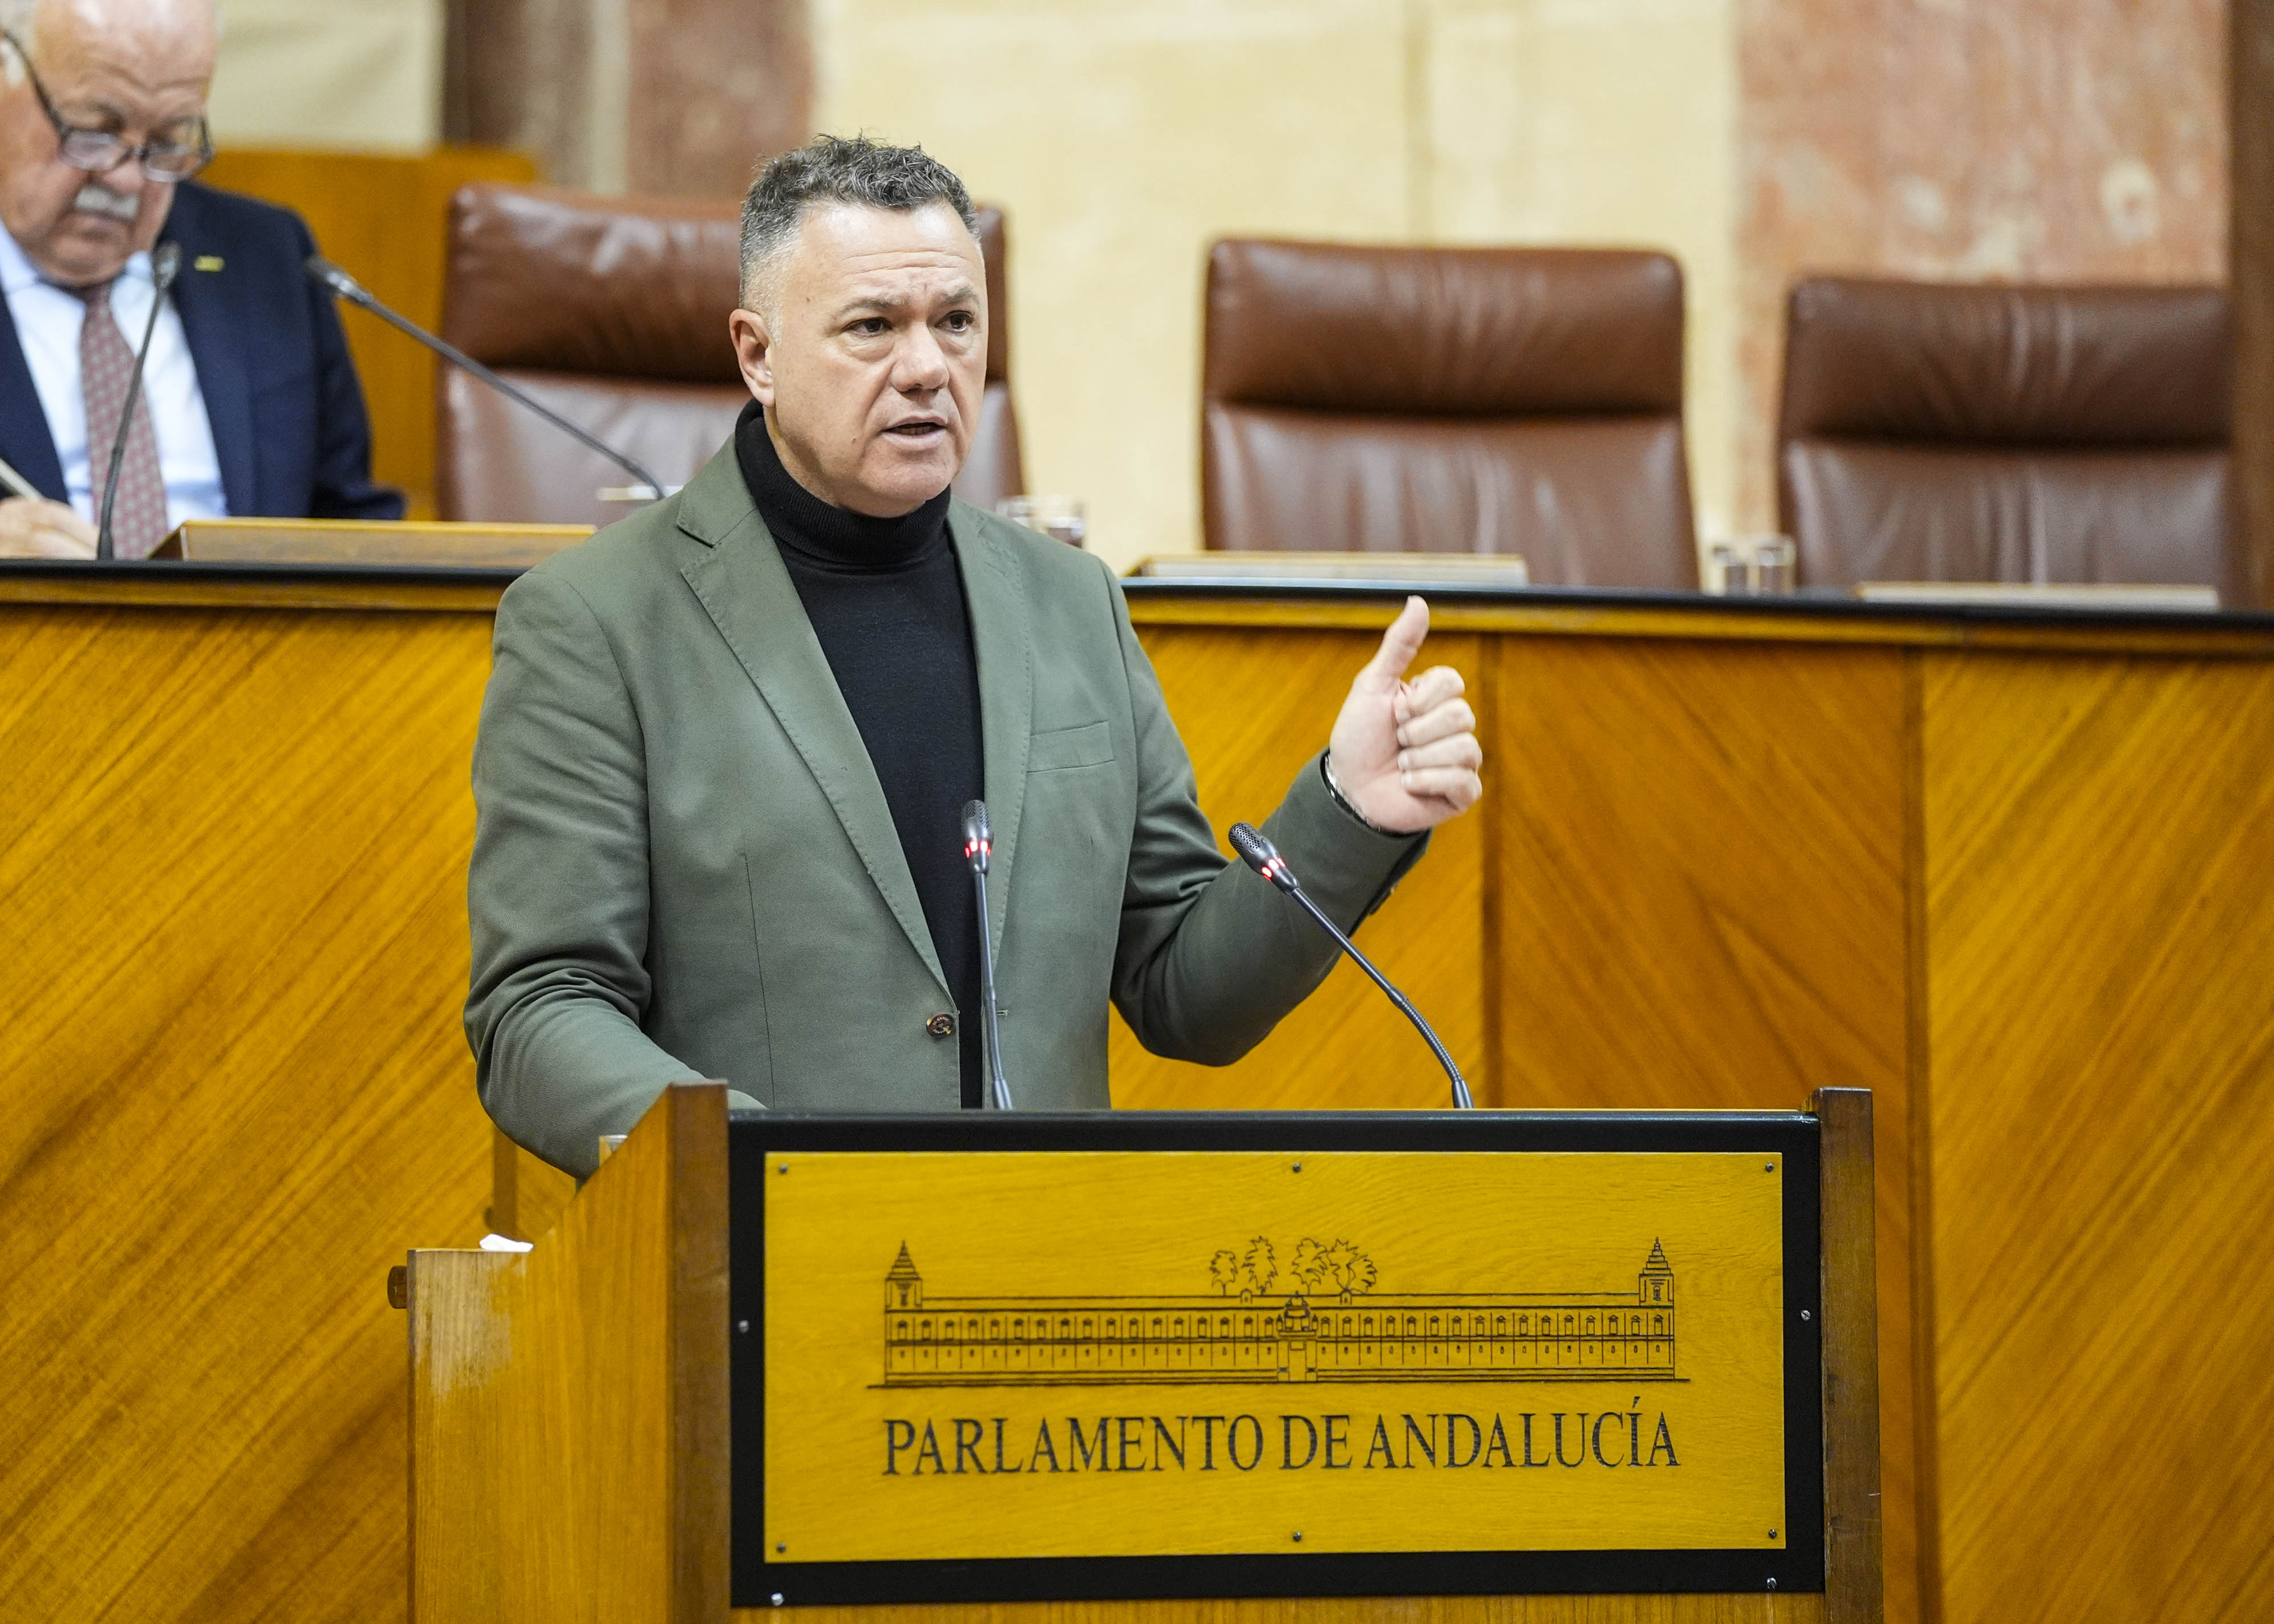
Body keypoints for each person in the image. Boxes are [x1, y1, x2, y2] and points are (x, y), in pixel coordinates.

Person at [467, 136, 1485, 1177]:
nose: (926, 367)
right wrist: (750, 1170)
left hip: (1037, 1286)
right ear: (757, 353)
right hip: (755, 1285)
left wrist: (1345, 811)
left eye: (956, 322)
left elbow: (1188, 993)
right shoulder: (597, 619)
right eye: (872, 327)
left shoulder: (1070, 602)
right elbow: (539, 1012)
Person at [0, 0, 398, 561]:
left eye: (167, 141)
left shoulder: (270, 258)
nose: (126, 178)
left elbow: (351, 525)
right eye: (93, 130)